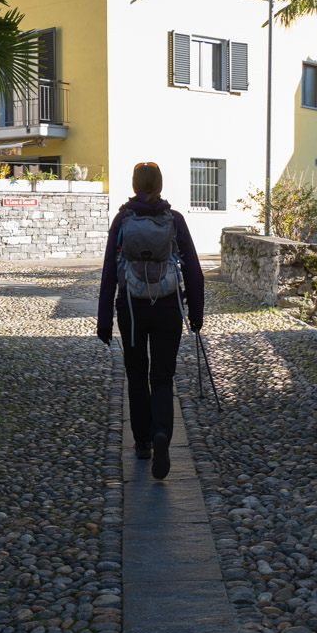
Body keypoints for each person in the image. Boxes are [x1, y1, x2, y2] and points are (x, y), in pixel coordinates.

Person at [96, 162, 204, 479]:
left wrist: (104, 320)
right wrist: (195, 315)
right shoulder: (174, 220)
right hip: (169, 308)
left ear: (134, 186)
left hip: (131, 309)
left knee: (136, 373)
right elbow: (194, 272)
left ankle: (142, 442)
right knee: (162, 376)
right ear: (159, 186)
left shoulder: (122, 221)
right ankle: (162, 435)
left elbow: (107, 273)